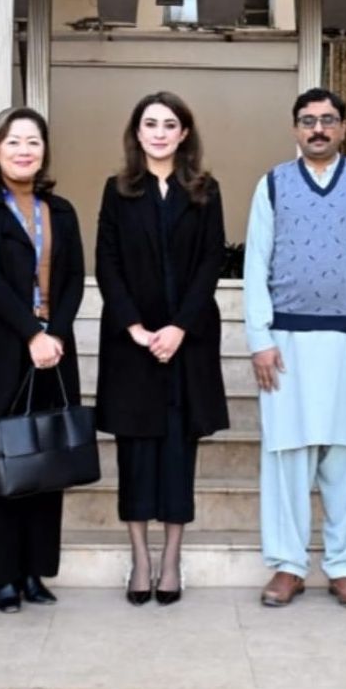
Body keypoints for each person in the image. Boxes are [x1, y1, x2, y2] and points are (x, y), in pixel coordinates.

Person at [245, 88, 346, 609]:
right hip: (287, 341)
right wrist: (260, 339)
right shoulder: (273, 183)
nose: (318, 129)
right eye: (308, 120)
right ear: (295, 129)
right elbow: (256, 262)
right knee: (287, 455)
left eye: (328, 120)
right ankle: (288, 566)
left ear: (343, 128)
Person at [0, 107, 85, 613]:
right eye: (13, 142)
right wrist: (31, 333)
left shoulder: (61, 210)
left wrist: (55, 333)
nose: (24, 150)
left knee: (46, 460)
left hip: (54, 348)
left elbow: (75, 279)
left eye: (33, 141)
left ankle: (33, 571)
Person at [94, 92, 229, 606]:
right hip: (132, 344)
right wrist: (134, 326)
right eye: (150, 124)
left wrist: (179, 328)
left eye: (169, 125)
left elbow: (211, 261)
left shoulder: (205, 190)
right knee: (134, 455)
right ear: (137, 132)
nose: (159, 133)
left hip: (187, 343)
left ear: (184, 133)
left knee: (177, 453)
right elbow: (106, 261)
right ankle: (140, 559)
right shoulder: (118, 190)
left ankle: (171, 559)